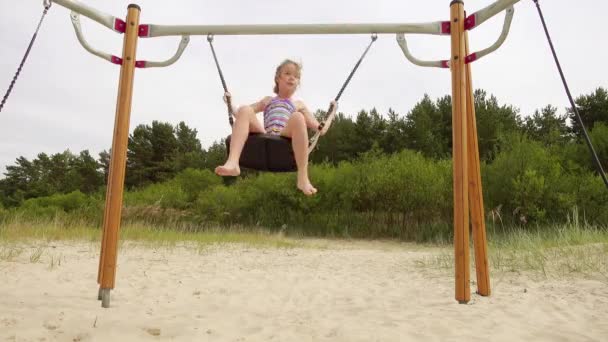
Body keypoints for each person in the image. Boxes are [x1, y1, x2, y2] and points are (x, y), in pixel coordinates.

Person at [214, 59, 337, 196]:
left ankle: (303, 177)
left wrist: (332, 112)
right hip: (266, 135)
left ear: (298, 83)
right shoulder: (268, 100)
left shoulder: (298, 104)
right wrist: (230, 103)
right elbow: (240, 115)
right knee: (245, 109)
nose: (292, 78)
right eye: (287, 73)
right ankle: (233, 162)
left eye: (296, 76)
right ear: (278, 78)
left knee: (298, 117)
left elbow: (321, 129)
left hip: (285, 135)